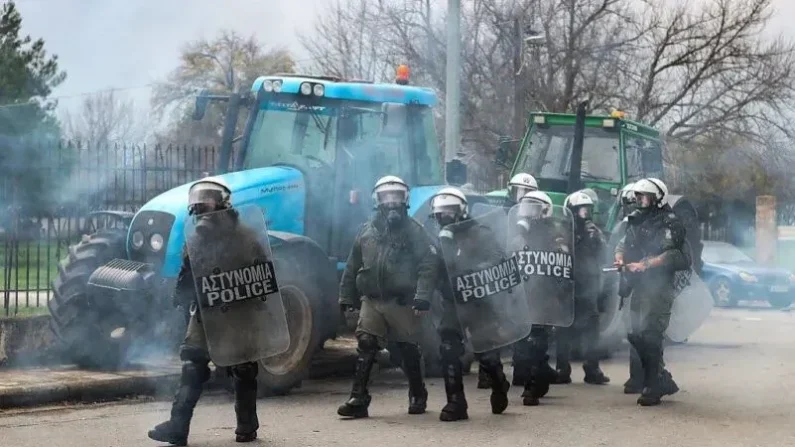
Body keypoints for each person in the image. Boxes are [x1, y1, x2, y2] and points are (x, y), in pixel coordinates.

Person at [148, 177, 262, 445]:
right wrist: (182, 296)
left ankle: (246, 426)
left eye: (207, 199)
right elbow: (189, 272)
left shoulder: (245, 236)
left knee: (243, 368)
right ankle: (178, 426)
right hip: (205, 311)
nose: (201, 207)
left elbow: (262, 275)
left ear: (222, 203)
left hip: (237, 313)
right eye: (198, 201)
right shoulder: (196, 236)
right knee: (193, 363)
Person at [337, 175, 438, 419]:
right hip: (372, 300)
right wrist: (345, 296)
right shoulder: (366, 231)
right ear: (377, 200)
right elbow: (353, 265)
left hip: (402, 300)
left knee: (405, 349)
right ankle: (358, 398)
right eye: (386, 197)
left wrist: (422, 296)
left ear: (406, 200)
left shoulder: (415, 231)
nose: (392, 202)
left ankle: (417, 392)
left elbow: (428, 263)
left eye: (397, 196)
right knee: (366, 344)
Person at [431, 187, 512, 421]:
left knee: (486, 355)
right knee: (448, 349)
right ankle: (456, 403)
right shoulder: (438, 239)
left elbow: (498, 258)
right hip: (454, 303)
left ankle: (499, 384)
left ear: (462, 210)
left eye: (450, 210)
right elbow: (431, 269)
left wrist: (474, 271)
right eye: (440, 211)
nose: (445, 216)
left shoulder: (480, 233)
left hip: (479, 302)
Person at [614, 178, 684, 406]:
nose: (640, 201)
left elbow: (675, 255)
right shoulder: (636, 220)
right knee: (636, 334)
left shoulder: (669, 222)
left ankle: (654, 386)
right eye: (638, 196)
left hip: (659, 288)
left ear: (658, 198)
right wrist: (620, 258)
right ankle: (657, 379)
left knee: (651, 335)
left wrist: (646, 264)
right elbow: (623, 243)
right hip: (640, 286)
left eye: (645, 196)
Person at [507, 190, 567, 405]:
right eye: (526, 208)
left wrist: (557, 293)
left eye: (533, 208)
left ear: (545, 211)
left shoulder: (554, 233)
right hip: (523, 293)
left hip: (544, 294)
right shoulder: (518, 235)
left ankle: (534, 386)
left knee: (536, 341)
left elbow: (563, 265)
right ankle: (541, 374)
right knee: (522, 343)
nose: (528, 213)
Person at [554, 191, 611, 385]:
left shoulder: (594, 231)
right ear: (571, 210)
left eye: (588, 210)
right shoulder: (561, 230)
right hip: (567, 286)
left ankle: (592, 368)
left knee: (592, 327)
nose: (586, 214)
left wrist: (596, 238)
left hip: (588, 285)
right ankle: (562, 369)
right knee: (563, 328)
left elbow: (605, 255)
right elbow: (559, 254)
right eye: (581, 210)